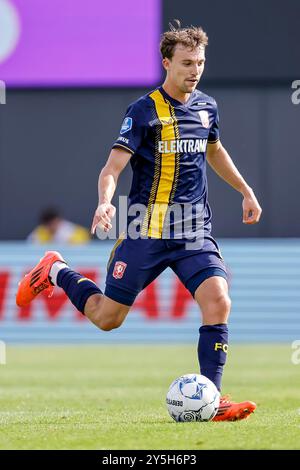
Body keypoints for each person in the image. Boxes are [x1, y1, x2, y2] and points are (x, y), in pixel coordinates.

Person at [16, 23, 262, 421]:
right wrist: (104, 202)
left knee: (219, 301)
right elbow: (113, 166)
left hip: (193, 231)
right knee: (106, 318)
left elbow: (214, 150)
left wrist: (245, 190)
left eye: (199, 62)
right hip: (144, 231)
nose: (194, 70)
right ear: (166, 62)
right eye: (186, 63)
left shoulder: (207, 106)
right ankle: (56, 269)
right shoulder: (144, 110)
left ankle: (212, 400)